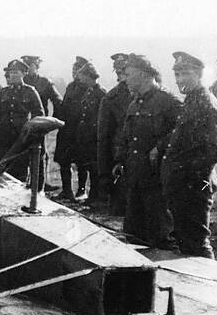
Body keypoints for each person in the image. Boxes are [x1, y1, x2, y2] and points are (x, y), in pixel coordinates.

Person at [115, 54, 181, 248]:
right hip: (136, 176)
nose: (124, 78)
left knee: (160, 235)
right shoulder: (134, 103)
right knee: (133, 234)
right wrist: (119, 160)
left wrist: (160, 147)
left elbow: (182, 132)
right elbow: (126, 137)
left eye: (128, 74)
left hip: (157, 179)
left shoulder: (169, 102)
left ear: (144, 75)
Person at [162, 52, 217, 257]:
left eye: (185, 74)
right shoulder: (191, 100)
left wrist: (186, 175)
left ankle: (208, 284)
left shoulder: (206, 103)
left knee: (198, 241)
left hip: (195, 186)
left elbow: (213, 151)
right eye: (177, 74)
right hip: (183, 185)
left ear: (198, 74)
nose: (179, 80)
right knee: (185, 240)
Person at [0, 59, 44, 180]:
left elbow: (39, 114)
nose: (13, 75)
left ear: (24, 73)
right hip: (3, 135)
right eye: (11, 72)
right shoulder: (3, 92)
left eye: (16, 72)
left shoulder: (30, 91)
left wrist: (32, 134)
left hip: (21, 136)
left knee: (20, 168)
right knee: (1, 167)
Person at [96, 53, 133, 213]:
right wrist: (104, 173)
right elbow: (103, 138)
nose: (122, 75)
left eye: (125, 71)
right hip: (120, 160)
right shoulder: (110, 99)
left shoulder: (151, 95)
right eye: (119, 72)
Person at [53, 57, 92, 201]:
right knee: (64, 161)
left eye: (78, 70)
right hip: (67, 129)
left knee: (82, 162)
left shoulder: (89, 88)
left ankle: (81, 190)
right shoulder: (70, 86)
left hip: (81, 130)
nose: (75, 73)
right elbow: (64, 106)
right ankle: (67, 190)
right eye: (73, 70)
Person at [70, 61, 105, 202]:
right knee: (85, 164)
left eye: (83, 76)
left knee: (94, 168)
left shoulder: (101, 93)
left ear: (89, 76)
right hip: (85, 136)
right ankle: (90, 195)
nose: (80, 79)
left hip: (94, 136)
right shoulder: (89, 91)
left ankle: (95, 196)